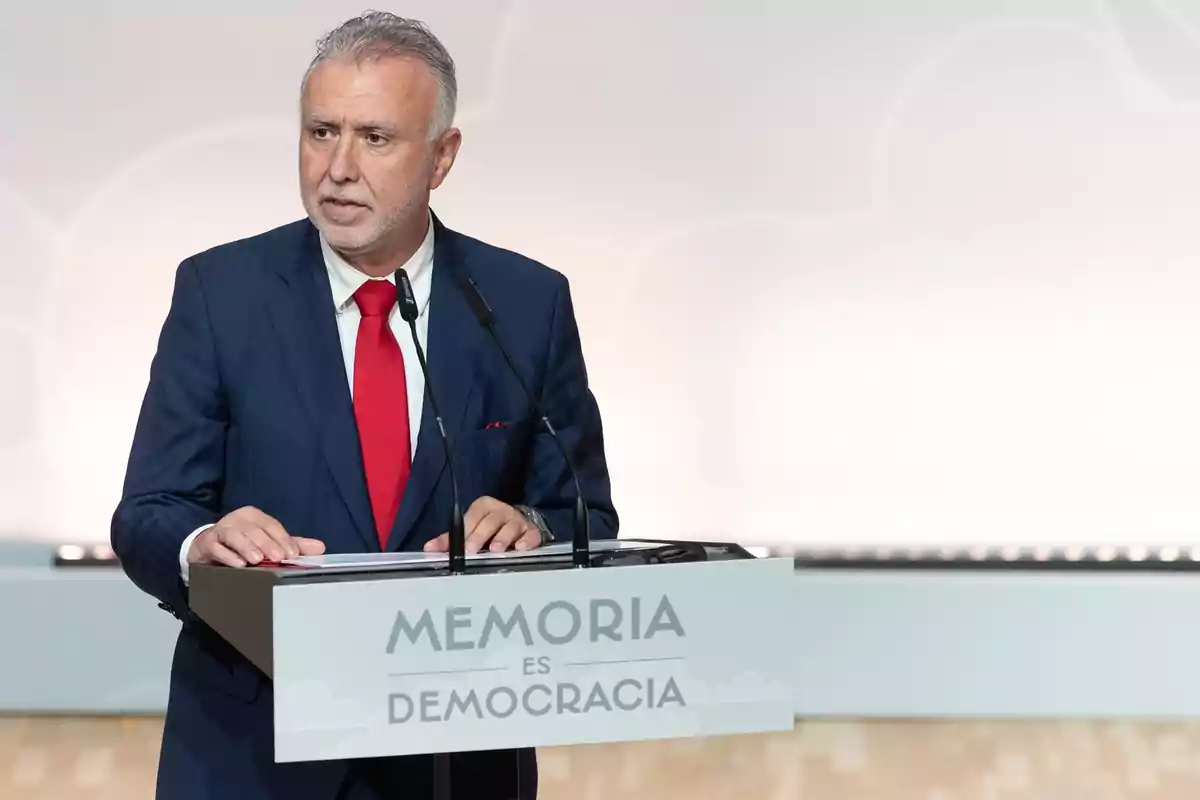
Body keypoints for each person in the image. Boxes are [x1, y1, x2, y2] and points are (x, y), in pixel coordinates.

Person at [110, 12, 617, 799]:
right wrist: (203, 539)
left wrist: (536, 531)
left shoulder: (524, 304)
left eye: (375, 138)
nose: (338, 168)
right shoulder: (220, 293)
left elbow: (586, 514)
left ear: (442, 157)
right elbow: (147, 511)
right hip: (256, 756)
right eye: (321, 133)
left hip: (455, 757)